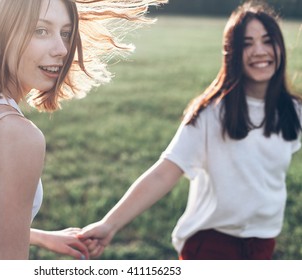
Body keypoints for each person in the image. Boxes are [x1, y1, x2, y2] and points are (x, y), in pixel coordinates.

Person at [0, 0, 166, 260]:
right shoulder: (17, 136)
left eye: (65, 33)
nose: (62, 49)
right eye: (41, 31)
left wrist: (39, 236)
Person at [79, 0, 302, 260]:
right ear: (231, 53)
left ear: (280, 46)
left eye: (267, 40)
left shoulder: (293, 110)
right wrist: (110, 224)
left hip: (263, 243)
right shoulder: (211, 114)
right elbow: (164, 173)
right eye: (247, 44)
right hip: (211, 244)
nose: (259, 51)